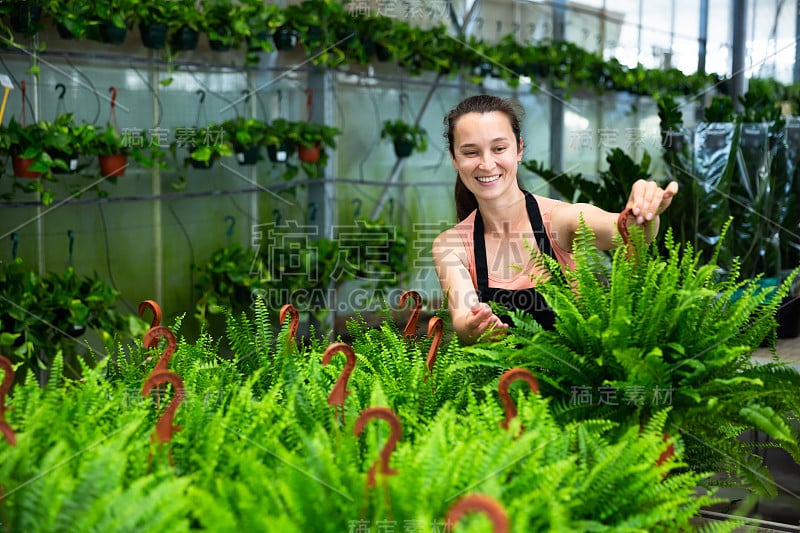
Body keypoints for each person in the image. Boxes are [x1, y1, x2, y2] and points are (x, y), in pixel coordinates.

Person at [432, 94, 678, 344]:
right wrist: (475, 326)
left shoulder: (560, 221)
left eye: (499, 148)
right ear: (454, 159)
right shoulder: (452, 245)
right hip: (500, 382)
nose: (486, 164)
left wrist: (644, 210)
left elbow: (630, 232)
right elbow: (463, 318)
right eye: (471, 152)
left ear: (519, 149)